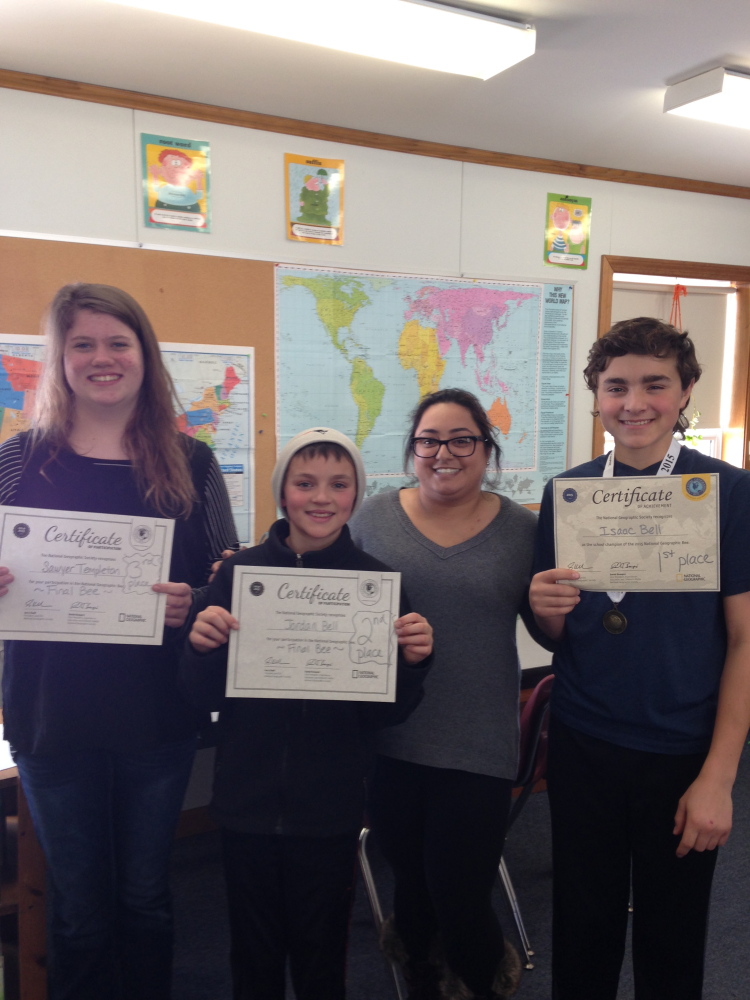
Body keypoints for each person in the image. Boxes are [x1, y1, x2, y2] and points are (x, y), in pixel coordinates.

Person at [0, 283, 238, 1000]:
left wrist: (191, 604)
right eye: (82, 344)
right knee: (76, 913)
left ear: (144, 355)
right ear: (61, 359)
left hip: (155, 717)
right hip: (50, 717)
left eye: (117, 342)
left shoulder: (191, 461)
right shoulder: (18, 460)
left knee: (143, 899)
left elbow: (225, 587)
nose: (101, 358)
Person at [530, 317, 750, 1000]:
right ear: (596, 394)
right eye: (616, 385)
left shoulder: (729, 492)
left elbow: (745, 641)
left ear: (685, 392)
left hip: (681, 750)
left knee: (673, 935)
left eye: (655, 384)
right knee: (582, 926)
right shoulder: (567, 493)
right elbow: (561, 637)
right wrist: (543, 611)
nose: (634, 403)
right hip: (583, 741)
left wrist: (719, 776)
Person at [180, 426, 433, 1000]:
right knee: (253, 952)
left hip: (331, 808)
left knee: (323, 953)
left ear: (355, 495)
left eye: (339, 484)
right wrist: (198, 648)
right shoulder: (237, 577)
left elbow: (389, 712)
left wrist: (415, 661)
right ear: (283, 492)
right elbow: (201, 697)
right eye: (305, 482)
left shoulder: (377, 585)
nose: (321, 497)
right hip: (245, 802)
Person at [349, 387, 548, 1000]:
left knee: (460, 893)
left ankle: (486, 975)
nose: (444, 452)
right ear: (412, 450)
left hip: (477, 741)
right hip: (390, 736)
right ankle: (421, 971)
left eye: (462, 439)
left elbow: (548, 627)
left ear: (487, 450)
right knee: (411, 885)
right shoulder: (371, 518)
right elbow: (323, 597)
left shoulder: (523, 530)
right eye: (429, 440)